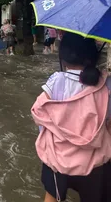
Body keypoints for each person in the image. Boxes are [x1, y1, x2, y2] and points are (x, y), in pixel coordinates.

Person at [31, 32, 111, 202]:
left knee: (52, 196)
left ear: (63, 58)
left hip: (57, 159)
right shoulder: (106, 85)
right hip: (95, 163)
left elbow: (40, 115)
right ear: (94, 56)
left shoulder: (55, 81)